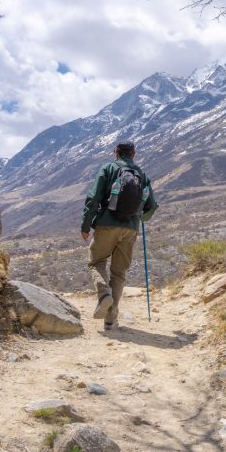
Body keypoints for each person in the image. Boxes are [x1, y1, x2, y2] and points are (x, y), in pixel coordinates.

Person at [81, 140, 158, 330]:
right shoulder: (142, 174)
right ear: (134, 154)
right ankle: (111, 319)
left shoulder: (108, 168)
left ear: (116, 152)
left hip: (107, 224)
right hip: (131, 228)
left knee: (96, 262)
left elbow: (93, 198)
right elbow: (151, 206)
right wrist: (141, 218)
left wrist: (86, 224)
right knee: (119, 272)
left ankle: (103, 294)